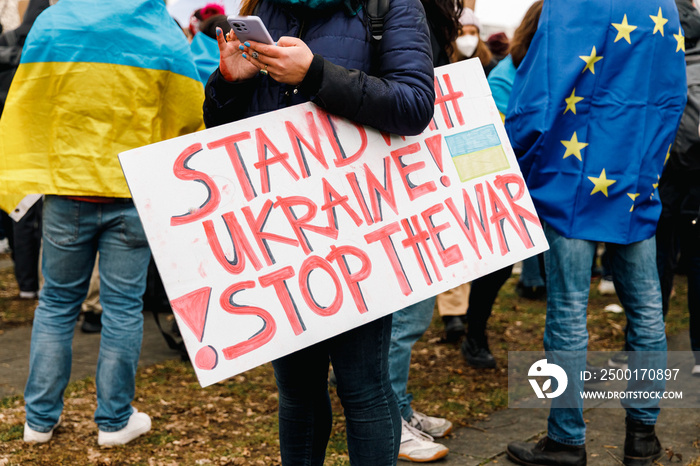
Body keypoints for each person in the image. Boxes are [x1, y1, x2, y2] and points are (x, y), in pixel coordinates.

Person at [203, 0, 435, 463]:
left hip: (358, 230)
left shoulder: (389, 5)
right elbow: (222, 130)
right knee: (297, 392)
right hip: (280, 235)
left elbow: (414, 105)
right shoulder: (260, 7)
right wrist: (228, 82)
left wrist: (314, 74)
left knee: (363, 387)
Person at [0, 0, 204, 446]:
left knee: (55, 305)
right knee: (122, 308)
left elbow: (27, 100)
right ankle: (114, 421)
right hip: (131, 190)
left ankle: (38, 421)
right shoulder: (157, 25)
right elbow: (188, 107)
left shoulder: (53, 21)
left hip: (67, 188)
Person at [504, 1, 687, 465]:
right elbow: (671, 96)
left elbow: (539, 94)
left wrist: (518, 160)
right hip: (631, 179)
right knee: (647, 313)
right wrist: (647, 166)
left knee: (567, 313)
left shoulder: (569, 5)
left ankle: (567, 439)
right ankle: (642, 437)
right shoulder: (660, 5)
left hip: (570, 180)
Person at [386, 0, 462, 461]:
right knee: (403, 316)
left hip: (417, 175)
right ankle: (387, 417)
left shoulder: (421, 15)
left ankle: (399, 405)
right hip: (395, 179)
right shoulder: (397, 10)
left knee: (414, 307)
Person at [656, 0, 700, 376]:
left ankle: (640, 346)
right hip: (692, 176)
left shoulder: (660, 60)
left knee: (658, 261)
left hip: (666, 175)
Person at [453, 8, 497, 76]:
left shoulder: (491, 67)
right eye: (461, 33)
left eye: (472, 33)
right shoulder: (445, 63)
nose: (467, 39)